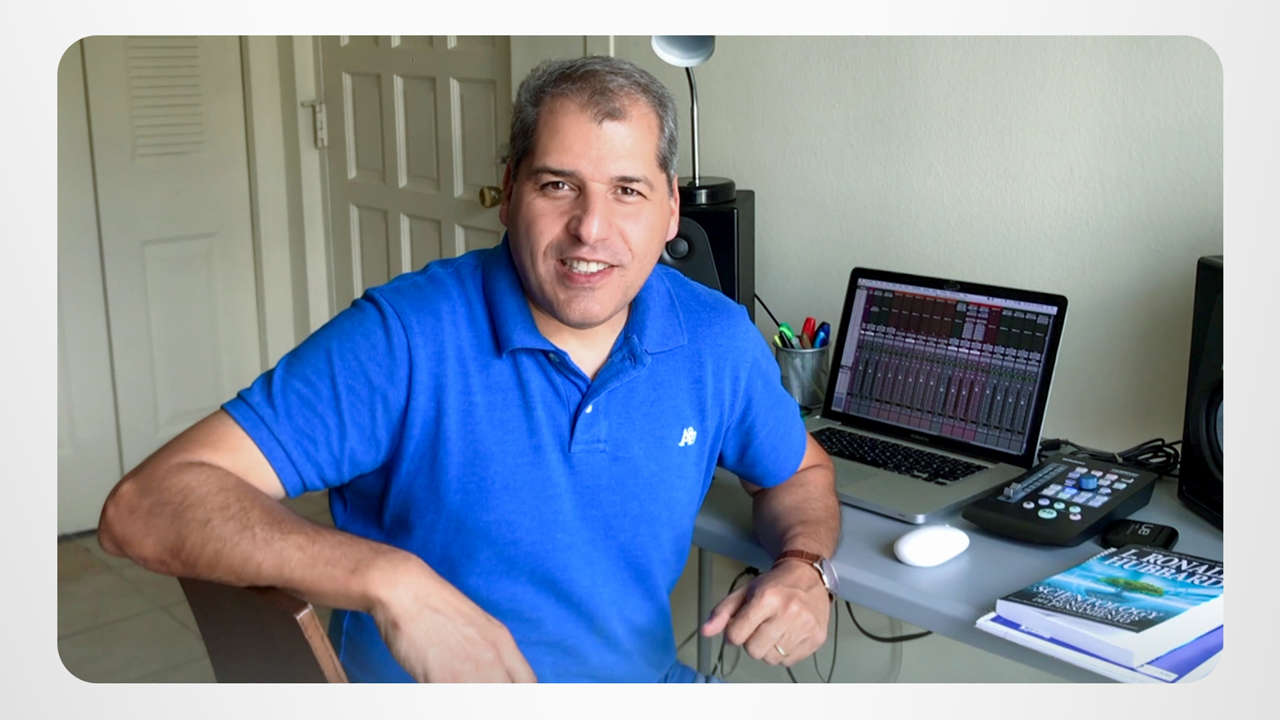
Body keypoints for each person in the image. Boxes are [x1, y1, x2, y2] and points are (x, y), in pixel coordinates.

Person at [97, 55, 840, 683]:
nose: (590, 228)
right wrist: (392, 581)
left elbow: (800, 474)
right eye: (557, 185)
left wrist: (807, 567)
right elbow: (143, 506)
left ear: (671, 208)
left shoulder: (715, 337)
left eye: (627, 191)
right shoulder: (405, 335)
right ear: (509, 192)